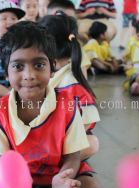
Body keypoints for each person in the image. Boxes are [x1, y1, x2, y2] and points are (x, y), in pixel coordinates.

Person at [0, 21, 103, 188]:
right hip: (20, 184)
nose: (29, 75)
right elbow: (2, 161)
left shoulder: (67, 104)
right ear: (6, 71)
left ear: (52, 67)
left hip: (55, 182)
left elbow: (74, 155)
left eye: (38, 65)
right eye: (18, 66)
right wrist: (13, 186)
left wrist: (63, 178)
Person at [39, 13, 100, 160]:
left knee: (91, 143)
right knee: (92, 143)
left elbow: (85, 124)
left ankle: (46, 160)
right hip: (39, 135)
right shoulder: (40, 73)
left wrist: (57, 139)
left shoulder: (71, 83)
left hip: (60, 139)